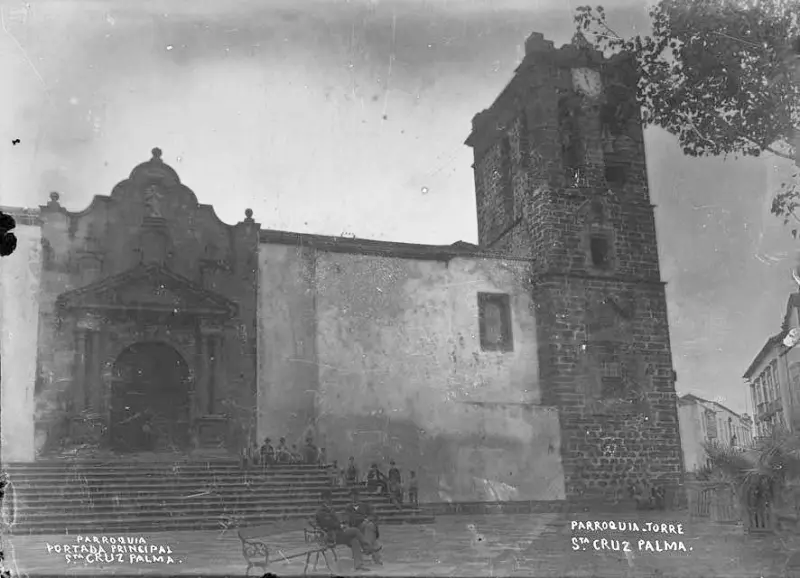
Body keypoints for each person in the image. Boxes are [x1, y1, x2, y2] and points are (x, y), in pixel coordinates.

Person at [314, 490, 373, 571]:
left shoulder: (330, 509)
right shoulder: (321, 511)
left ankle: (358, 565)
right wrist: (340, 525)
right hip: (330, 536)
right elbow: (328, 524)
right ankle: (368, 548)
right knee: (355, 530)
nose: (329, 500)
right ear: (323, 499)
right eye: (327, 498)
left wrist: (342, 525)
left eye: (330, 498)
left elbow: (334, 522)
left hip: (338, 534)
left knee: (354, 540)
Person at [344, 487, 383, 565]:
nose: (354, 497)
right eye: (352, 496)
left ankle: (369, 549)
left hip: (367, 528)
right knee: (370, 529)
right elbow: (350, 519)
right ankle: (370, 549)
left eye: (355, 495)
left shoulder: (365, 506)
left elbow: (373, 516)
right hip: (357, 528)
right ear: (350, 497)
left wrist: (367, 519)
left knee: (370, 526)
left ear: (358, 496)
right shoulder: (348, 508)